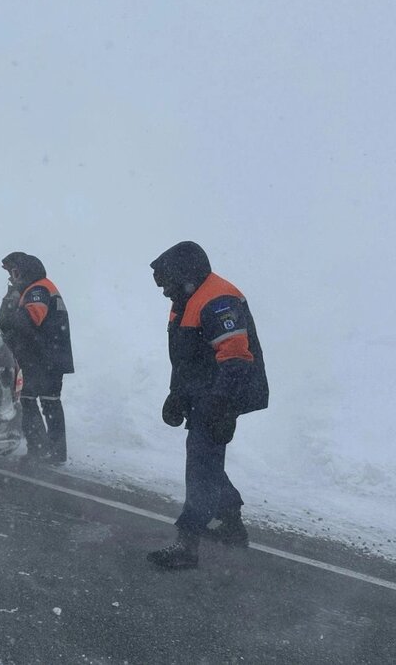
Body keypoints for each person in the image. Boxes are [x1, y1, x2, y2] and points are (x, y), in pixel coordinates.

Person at [147, 241, 267, 569]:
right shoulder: (185, 299)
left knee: (200, 467)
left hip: (221, 394)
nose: (164, 292)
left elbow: (236, 359)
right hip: (204, 392)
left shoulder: (217, 301)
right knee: (206, 461)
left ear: (185, 276)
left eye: (167, 284)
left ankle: (187, 547)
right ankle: (231, 526)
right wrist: (177, 394)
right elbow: (187, 359)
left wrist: (221, 407)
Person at [0, 252, 74, 465]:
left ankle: (39, 451)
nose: (12, 278)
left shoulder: (38, 290)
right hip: (47, 358)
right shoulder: (42, 287)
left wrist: (12, 302)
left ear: (23, 271)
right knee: (50, 404)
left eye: (13, 272)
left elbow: (27, 322)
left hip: (41, 359)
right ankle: (55, 452)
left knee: (28, 402)